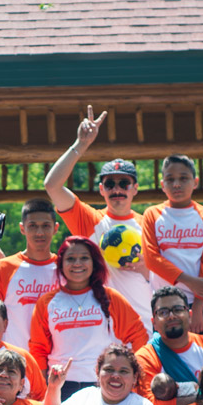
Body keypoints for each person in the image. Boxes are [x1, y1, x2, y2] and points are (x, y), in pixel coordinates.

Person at [42, 108, 151, 328]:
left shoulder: (150, 224)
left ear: (135, 188)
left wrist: (146, 268)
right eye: (110, 184)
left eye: (124, 183)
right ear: (101, 189)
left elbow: (167, 274)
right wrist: (81, 144)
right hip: (101, 327)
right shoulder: (90, 220)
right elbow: (52, 186)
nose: (117, 189)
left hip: (144, 325)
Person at [28, 236, 147, 399]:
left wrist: (133, 376)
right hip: (61, 386)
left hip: (103, 385)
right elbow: (38, 349)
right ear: (61, 264)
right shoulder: (47, 302)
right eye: (71, 259)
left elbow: (139, 335)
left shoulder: (110, 297)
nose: (77, 263)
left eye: (84, 258)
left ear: (94, 263)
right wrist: (43, 389)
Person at [141, 154, 203, 334]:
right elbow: (152, 259)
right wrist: (189, 280)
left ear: (195, 182)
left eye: (183, 178)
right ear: (162, 185)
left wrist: (199, 306)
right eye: (170, 179)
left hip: (200, 304)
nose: (177, 184)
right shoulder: (152, 214)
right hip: (164, 305)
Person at [0, 198, 60, 347]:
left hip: (56, 361)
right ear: (22, 228)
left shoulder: (66, 270)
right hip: (13, 362)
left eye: (46, 226)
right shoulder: (2, 269)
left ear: (55, 228)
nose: (39, 232)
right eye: (32, 226)